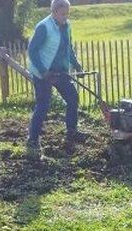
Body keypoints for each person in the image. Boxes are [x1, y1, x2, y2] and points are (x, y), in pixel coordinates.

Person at [25, 0, 85, 161]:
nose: (66, 17)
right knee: (44, 104)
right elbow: (32, 50)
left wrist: (77, 65)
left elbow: (68, 47)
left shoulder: (66, 25)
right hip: (44, 73)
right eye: (63, 14)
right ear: (54, 12)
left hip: (61, 72)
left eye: (67, 13)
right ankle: (32, 139)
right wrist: (44, 72)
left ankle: (72, 130)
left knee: (73, 98)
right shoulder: (44, 27)